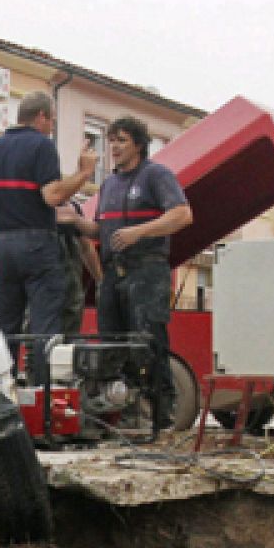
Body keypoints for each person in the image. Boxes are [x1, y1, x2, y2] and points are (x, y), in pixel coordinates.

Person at [73, 115, 192, 426]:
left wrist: (139, 232)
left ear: (138, 145)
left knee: (149, 343)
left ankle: (162, 419)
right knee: (112, 345)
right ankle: (124, 415)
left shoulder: (156, 176)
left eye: (121, 140)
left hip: (147, 270)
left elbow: (182, 215)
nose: (114, 146)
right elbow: (102, 230)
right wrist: (72, 222)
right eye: (111, 140)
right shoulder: (109, 183)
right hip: (113, 274)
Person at [0, 90, 97, 382]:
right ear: (41, 117)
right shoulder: (41, 146)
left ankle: (5, 385)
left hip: (1, 245)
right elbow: (52, 195)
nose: (51, 126)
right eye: (52, 120)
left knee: (6, 323)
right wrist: (83, 173)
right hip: (37, 242)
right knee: (46, 324)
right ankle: (42, 394)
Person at [55, 198, 100, 337]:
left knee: (70, 331)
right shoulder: (34, 203)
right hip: (44, 288)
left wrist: (100, 279)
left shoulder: (73, 207)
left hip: (71, 291)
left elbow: (86, 247)